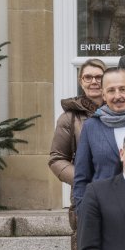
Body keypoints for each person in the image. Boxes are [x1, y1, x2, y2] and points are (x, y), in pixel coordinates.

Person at [72, 67, 125, 209]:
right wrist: (83, 211)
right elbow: (81, 176)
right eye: (111, 91)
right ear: (103, 95)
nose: (117, 96)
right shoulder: (91, 126)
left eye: (123, 89)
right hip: (102, 208)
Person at [49, 58, 105, 190]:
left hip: (116, 191)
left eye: (99, 77)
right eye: (88, 77)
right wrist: (84, 180)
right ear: (81, 81)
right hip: (85, 193)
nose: (94, 82)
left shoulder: (119, 113)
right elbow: (57, 159)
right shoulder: (69, 118)